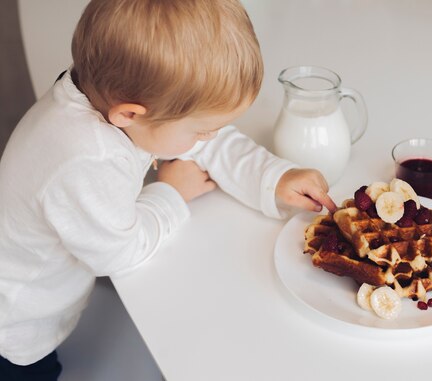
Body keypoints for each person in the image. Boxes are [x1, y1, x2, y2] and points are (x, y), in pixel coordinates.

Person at [0, 0, 336, 379]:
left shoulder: (116, 96)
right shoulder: (84, 159)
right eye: (199, 130)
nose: (207, 137)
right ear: (129, 115)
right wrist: (171, 193)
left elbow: (205, 138)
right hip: (15, 329)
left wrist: (273, 177)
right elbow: (119, 252)